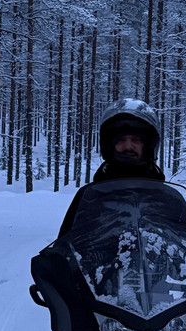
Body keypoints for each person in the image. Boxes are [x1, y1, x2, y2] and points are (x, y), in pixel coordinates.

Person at [57, 98, 164, 236]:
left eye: (136, 140)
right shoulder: (90, 198)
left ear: (149, 146)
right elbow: (66, 244)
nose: (128, 147)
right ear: (109, 145)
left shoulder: (166, 198)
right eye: (121, 140)